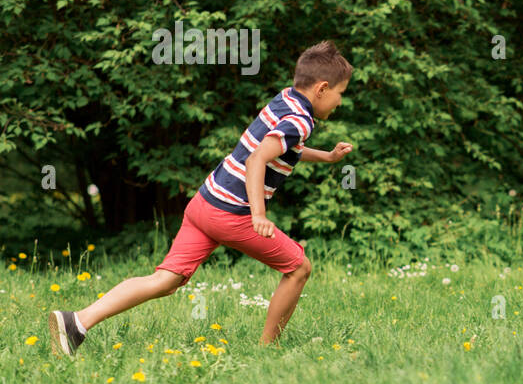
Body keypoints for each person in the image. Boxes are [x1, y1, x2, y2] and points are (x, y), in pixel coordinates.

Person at [49, 41, 354, 355]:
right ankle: (267, 350)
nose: (339, 102)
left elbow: (283, 149)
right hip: (231, 214)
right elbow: (257, 159)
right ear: (322, 88)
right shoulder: (300, 121)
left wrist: (328, 157)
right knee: (299, 268)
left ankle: (77, 322)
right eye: (340, 93)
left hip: (204, 203)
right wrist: (258, 214)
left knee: (165, 280)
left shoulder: (286, 99)